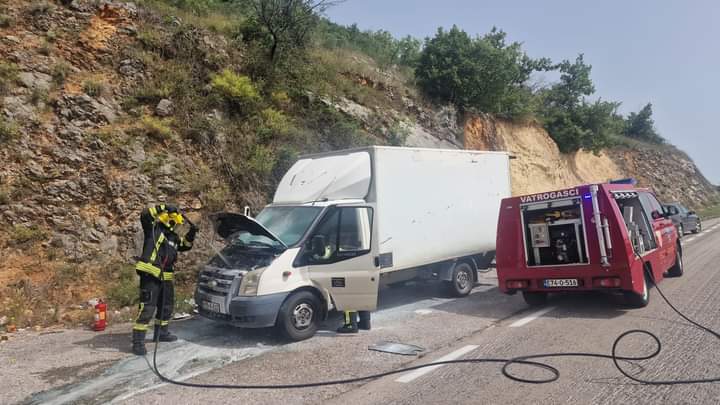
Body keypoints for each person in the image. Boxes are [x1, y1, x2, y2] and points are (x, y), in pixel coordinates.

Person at [131, 204, 198, 355]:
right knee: (147, 308)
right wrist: (164, 207)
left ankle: (161, 333)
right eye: (176, 223)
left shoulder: (173, 237)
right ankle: (138, 342)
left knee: (166, 307)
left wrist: (192, 233)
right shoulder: (154, 229)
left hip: (166, 277)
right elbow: (145, 214)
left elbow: (185, 246)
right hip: (151, 274)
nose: (178, 226)